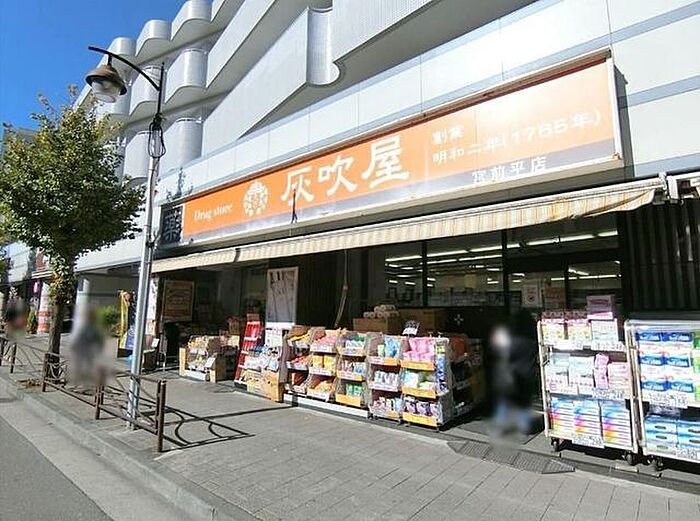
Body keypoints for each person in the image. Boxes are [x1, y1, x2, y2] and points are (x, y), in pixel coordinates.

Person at [489, 309, 538, 435]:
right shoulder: (533, 339)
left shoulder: (509, 338)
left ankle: (500, 427)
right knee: (524, 402)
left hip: (509, 375)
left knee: (504, 401)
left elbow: (499, 353)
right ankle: (524, 427)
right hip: (527, 374)